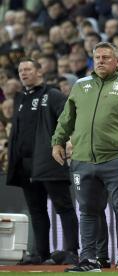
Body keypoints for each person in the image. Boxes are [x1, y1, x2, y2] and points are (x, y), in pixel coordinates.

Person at [51, 42, 118, 272]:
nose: (101, 61)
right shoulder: (80, 85)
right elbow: (67, 118)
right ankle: (89, 260)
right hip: (82, 160)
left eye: (106, 57)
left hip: (116, 159)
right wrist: (57, 141)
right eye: (97, 57)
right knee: (86, 211)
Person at [6, 58, 79, 265]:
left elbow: (69, 118)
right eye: (20, 70)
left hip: (49, 161)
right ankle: (42, 253)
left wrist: (69, 141)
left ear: (40, 72)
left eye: (28, 69)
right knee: (36, 210)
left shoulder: (53, 95)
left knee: (63, 206)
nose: (23, 73)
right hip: (25, 164)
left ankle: (72, 251)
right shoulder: (20, 99)